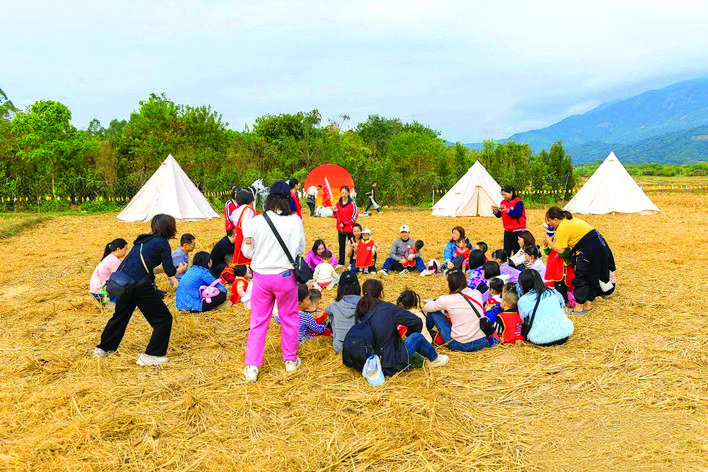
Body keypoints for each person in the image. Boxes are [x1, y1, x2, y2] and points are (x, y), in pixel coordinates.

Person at [94, 214, 187, 366]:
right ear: (170, 228)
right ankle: (152, 355)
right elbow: (170, 271)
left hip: (124, 284)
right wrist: (179, 269)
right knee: (163, 320)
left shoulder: (142, 241)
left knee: (120, 317)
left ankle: (103, 349)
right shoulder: (162, 243)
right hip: (140, 286)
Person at [241, 181, 306, 382]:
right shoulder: (295, 221)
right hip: (285, 277)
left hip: (261, 277)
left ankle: (252, 366)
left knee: (258, 321)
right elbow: (300, 249)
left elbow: (247, 251)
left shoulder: (258, 221)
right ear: (289, 200)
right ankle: (290, 360)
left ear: (269, 198)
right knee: (289, 319)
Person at [350, 279, 448, 377]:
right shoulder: (388, 308)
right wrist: (407, 336)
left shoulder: (359, 309)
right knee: (417, 337)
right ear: (381, 293)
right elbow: (416, 322)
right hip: (389, 366)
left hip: (369, 366)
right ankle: (435, 359)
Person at [543, 207, 616, 315]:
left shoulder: (563, 227)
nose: (551, 226)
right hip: (600, 245)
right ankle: (587, 306)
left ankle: (578, 309)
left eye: (549, 222)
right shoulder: (569, 219)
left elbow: (561, 250)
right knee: (592, 276)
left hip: (589, 250)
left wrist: (549, 242)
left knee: (582, 277)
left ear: (555, 220)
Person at [424, 271, 488, 352]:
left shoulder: (446, 300)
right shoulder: (476, 293)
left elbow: (427, 307)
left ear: (451, 284)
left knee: (433, 312)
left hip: (460, 344)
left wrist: (435, 301)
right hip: (481, 342)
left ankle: (425, 332)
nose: (444, 284)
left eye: (446, 282)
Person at [517, 269, 574, 346]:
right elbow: (562, 304)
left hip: (540, 339)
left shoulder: (523, 300)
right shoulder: (553, 292)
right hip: (564, 334)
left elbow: (523, 318)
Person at [327, 271, 361, 353]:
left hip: (340, 347)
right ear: (357, 287)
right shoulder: (364, 303)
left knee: (332, 316)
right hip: (360, 345)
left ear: (340, 287)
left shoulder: (335, 304)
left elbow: (326, 311)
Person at [89, 238, 129, 304]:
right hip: (100, 292)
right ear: (118, 249)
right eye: (125, 249)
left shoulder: (110, 257)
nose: (126, 252)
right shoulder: (113, 261)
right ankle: (108, 302)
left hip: (95, 289)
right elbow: (121, 277)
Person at [492, 185, 527, 257]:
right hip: (507, 229)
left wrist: (508, 210)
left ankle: (517, 267)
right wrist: (495, 211)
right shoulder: (503, 202)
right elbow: (500, 215)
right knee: (506, 250)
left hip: (517, 230)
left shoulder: (518, 201)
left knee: (517, 251)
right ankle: (506, 266)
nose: (504, 196)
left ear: (511, 193)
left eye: (505, 194)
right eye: (502, 195)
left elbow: (518, 214)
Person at [230, 188, 257, 267]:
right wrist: (248, 236)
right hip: (245, 236)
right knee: (247, 254)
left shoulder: (238, 210)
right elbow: (246, 223)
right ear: (250, 200)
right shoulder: (248, 210)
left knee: (239, 252)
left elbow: (234, 220)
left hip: (239, 234)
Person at [333, 185, 358, 267]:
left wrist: (345, 223)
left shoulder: (352, 204)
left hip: (350, 229)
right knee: (341, 246)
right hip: (340, 229)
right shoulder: (338, 203)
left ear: (348, 193)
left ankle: (351, 262)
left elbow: (354, 217)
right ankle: (341, 262)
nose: (344, 194)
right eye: (342, 193)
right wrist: (334, 211)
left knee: (351, 245)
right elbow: (335, 216)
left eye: (345, 193)